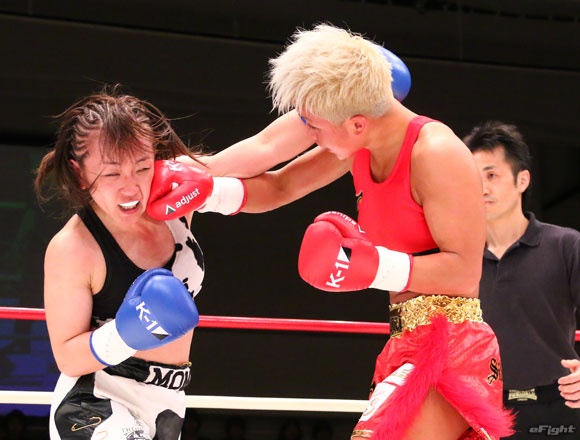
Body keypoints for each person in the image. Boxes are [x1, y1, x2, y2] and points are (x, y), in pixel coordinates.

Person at [163, 23, 514, 440]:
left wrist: (373, 267)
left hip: (451, 346)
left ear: (357, 124)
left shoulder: (436, 152)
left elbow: (464, 271)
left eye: (313, 125)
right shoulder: (359, 144)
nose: (308, 134)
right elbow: (281, 185)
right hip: (405, 339)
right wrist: (206, 191)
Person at [33, 85, 223, 440]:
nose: (131, 187)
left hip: (168, 401)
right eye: (111, 174)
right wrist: (127, 331)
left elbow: (267, 159)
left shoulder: (175, 200)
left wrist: (322, 120)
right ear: (79, 173)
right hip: (96, 401)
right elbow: (68, 357)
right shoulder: (73, 247)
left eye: (142, 167)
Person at [463, 121, 580, 439]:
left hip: (559, 406)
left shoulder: (566, 245)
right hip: (479, 408)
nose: (482, 188)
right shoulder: (459, 255)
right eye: (474, 177)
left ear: (522, 180)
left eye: (491, 175)